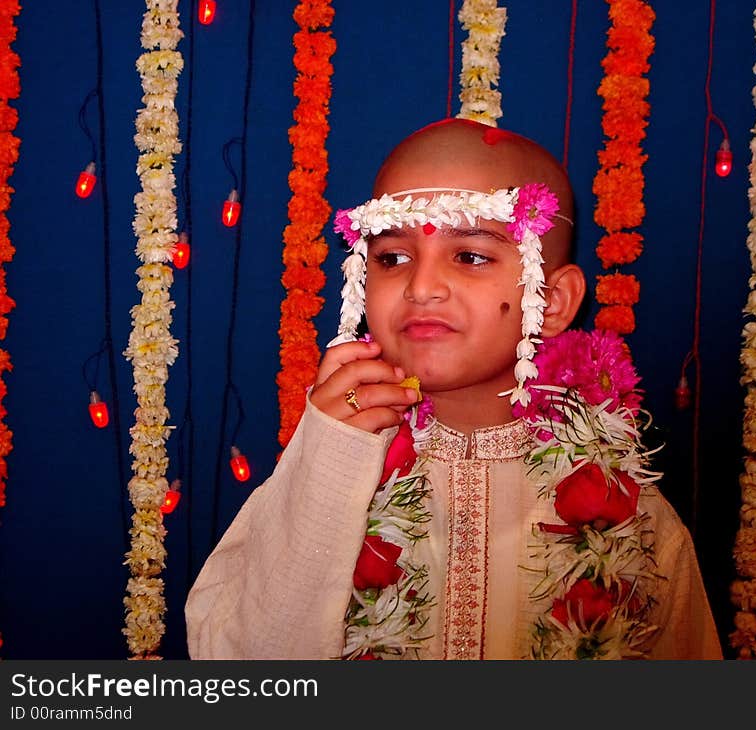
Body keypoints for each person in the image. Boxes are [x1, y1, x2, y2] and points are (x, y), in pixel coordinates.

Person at [185, 118, 724, 660]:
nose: (420, 287)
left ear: (554, 300)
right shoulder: (334, 460)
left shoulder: (626, 508)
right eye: (392, 258)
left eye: (470, 256)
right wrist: (327, 461)